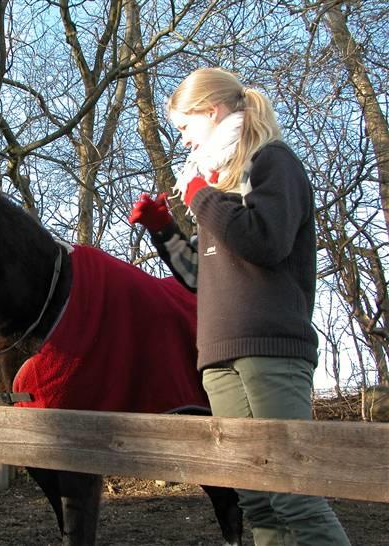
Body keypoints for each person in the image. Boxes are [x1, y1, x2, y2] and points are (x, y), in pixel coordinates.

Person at [128, 67, 350, 546]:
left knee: (294, 495)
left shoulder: (272, 162)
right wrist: (164, 229)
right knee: (254, 498)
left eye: (184, 128)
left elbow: (266, 241)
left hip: (270, 345)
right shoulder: (217, 183)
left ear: (212, 111)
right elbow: (198, 280)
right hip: (218, 355)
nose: (183, 142)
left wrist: (200, 197)